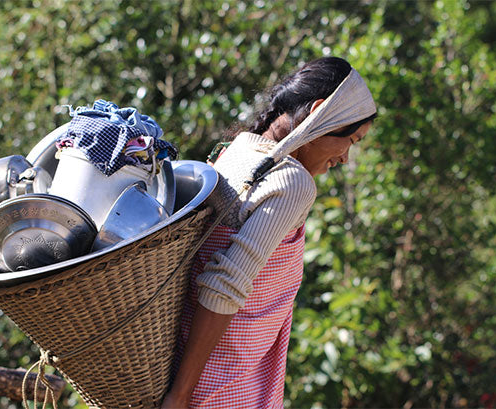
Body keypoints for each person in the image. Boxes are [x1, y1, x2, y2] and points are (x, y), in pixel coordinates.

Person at [161, 56, 377, 408]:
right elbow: (223, 286)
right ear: (319, 112)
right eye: (351, 139)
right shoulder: (292, 182)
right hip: (221, 386)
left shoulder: (234, 151)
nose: (346, 158)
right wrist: (180, 396)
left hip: (180, 361)